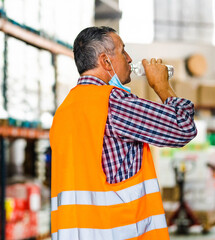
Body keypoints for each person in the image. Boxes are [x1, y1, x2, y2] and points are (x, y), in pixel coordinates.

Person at [49, 26, 197, 240]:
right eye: (122, 51)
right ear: (105, 61)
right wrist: (162, 86)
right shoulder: (114, 103)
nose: (129, 59)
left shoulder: (64, 111)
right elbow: (183, 127)